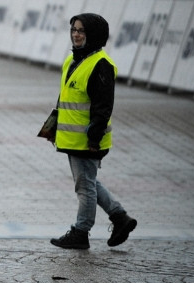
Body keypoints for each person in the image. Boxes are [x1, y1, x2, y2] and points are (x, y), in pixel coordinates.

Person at [47, 13, 137, 250]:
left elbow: (103, 107)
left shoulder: (101, 64)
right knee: (88, 181)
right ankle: (120, 217)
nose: (76, 34)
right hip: (72, 137)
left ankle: (81, 231)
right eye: (74, 30)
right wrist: (54, 127)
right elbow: (66, 98)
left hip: (88, 139)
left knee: (84, 185)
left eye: (81, 31)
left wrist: (94, 138)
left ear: (93, 36)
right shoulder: (73, 60)